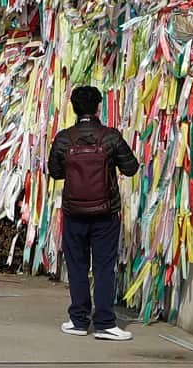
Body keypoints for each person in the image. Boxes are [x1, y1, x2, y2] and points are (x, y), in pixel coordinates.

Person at [47, 85, 140, 341]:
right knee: (103, 267)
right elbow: (131, 167)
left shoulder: (64, 138)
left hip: (74, 212)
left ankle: (78, 321)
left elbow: (55, 172)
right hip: (105, 213)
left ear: (74, 108)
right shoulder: (110, 137)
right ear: (99, 106)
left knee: (76, 266)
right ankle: (105, 324)